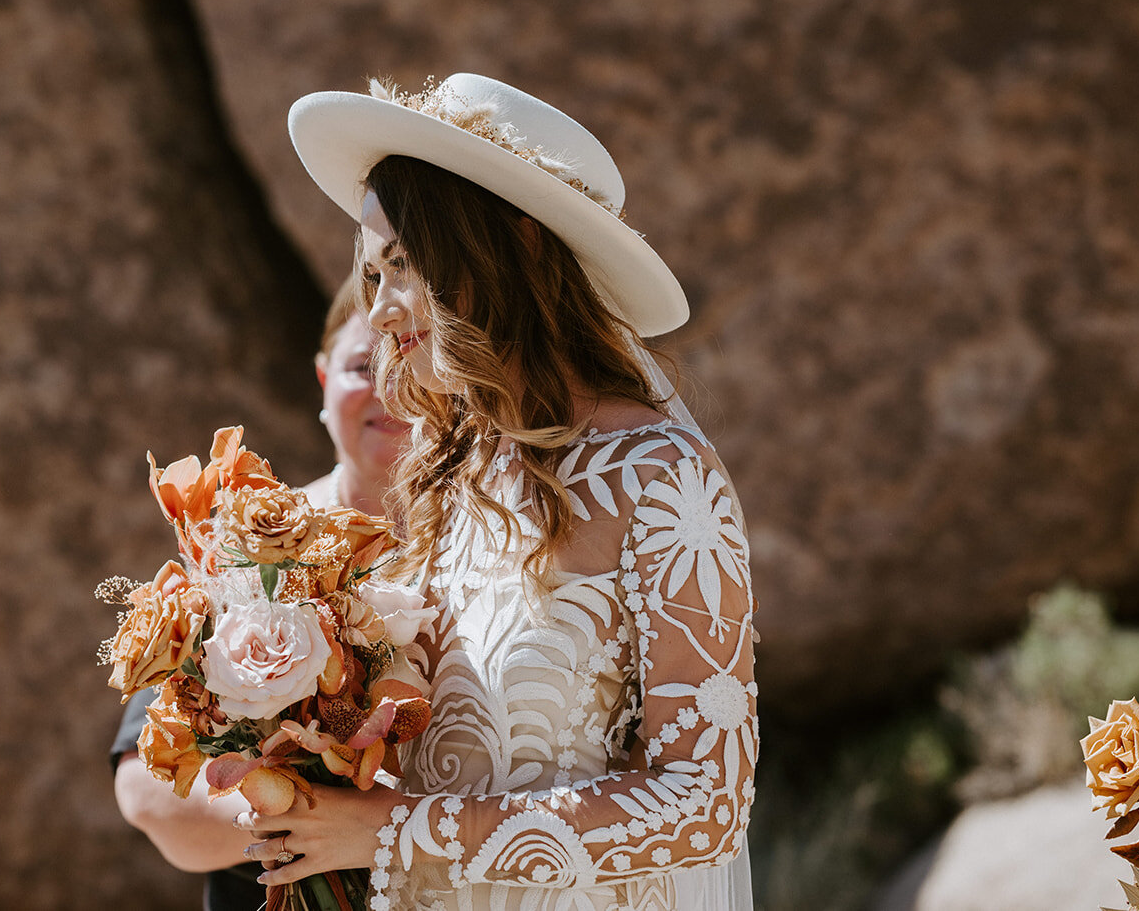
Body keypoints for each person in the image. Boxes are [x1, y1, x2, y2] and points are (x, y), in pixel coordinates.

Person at [235, 74, 758, 910]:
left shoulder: (659, 477)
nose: (381, 313)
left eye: (404, 264)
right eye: (372, 274)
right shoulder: (445, 472)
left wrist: (395, 830)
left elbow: (706, 806)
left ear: (516, 251)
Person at [111, 273, 409, 910]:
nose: (389, 388)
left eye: (408, 361)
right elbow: (144, 789)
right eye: (363, 365)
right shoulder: (243, 555)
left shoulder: (506, 557)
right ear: (324, 384)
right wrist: (296, 824)